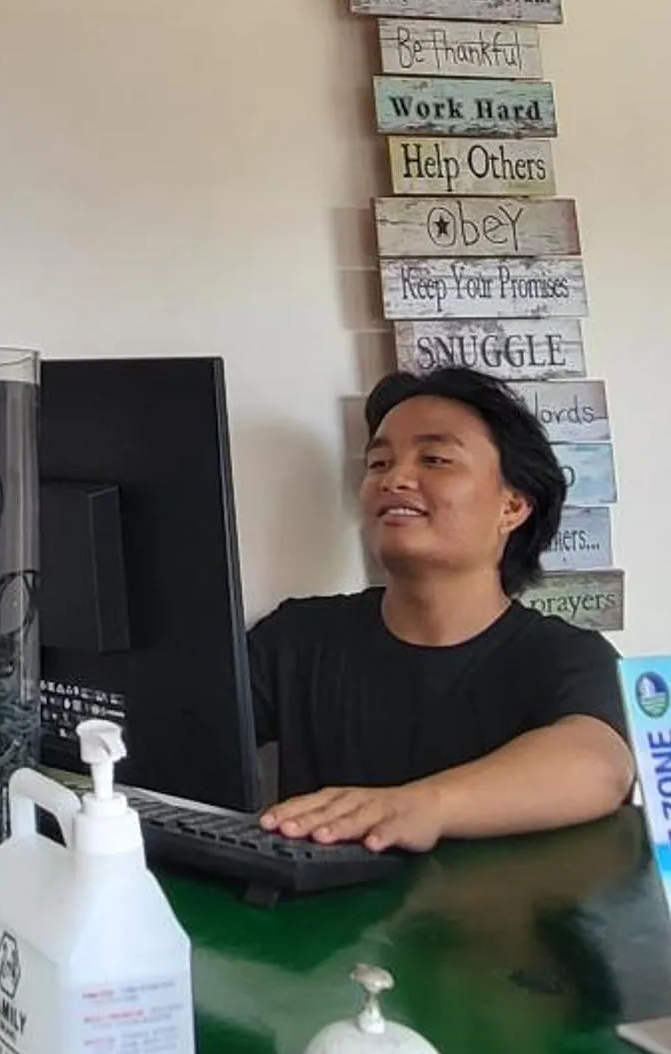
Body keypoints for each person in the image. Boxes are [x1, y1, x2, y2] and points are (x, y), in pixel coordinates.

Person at [252, 365, 632, 852]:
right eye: (378, 464)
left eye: (434, 459)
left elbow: (599, 766)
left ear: (512, 507)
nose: (396, 479)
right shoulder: (298, 639)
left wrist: (420, 805)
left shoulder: (567, 655)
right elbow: (178, 729)